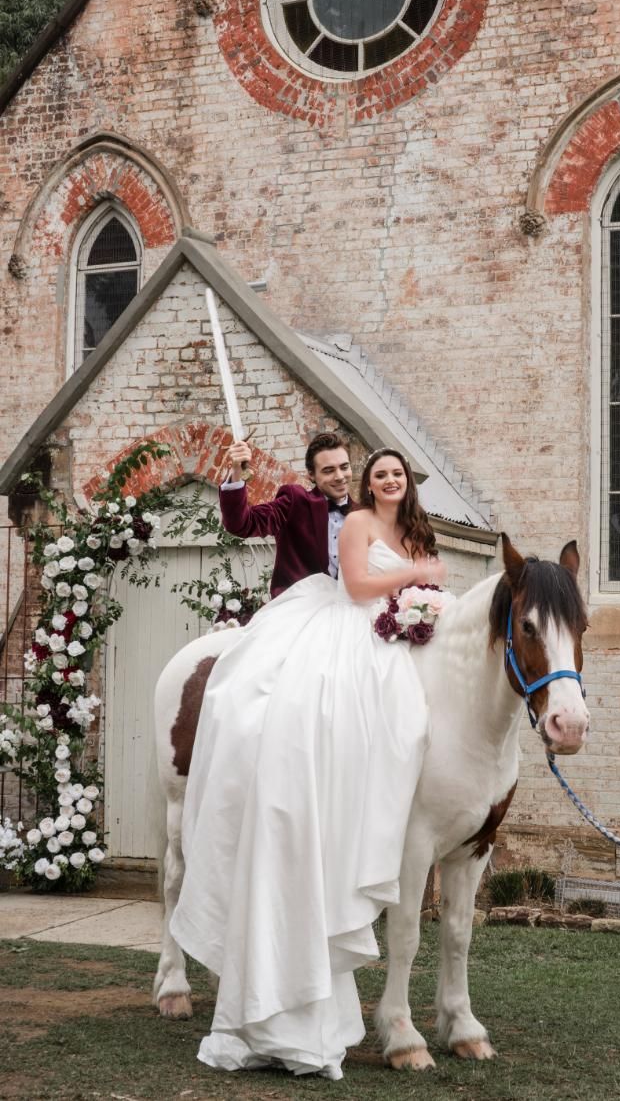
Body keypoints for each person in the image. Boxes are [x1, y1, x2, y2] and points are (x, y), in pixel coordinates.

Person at [170, 447, 446, 1080]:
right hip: (309, 614)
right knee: (262, 703)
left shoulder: (383, 517)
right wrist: (234, 477)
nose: (342, 476)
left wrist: (421, 595)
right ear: (315, 470)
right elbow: (245, 525)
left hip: (371, 627)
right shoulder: (304, 505)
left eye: (350, 468)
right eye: (333, 468)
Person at [219, 431, 355, 597]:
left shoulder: (366, 514)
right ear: (311, 475)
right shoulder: (294, 501)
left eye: (344, 467)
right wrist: (237, 472)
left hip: (350, 613)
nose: (340, 476)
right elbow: (242, 524)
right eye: (328, 470)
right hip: (297, 611)